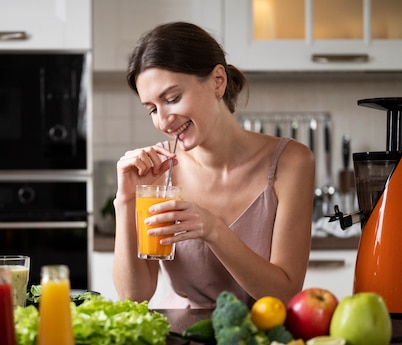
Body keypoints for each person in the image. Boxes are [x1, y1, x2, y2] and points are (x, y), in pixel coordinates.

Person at [112, 22, 315, 308]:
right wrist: (126, 200)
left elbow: (286, 294)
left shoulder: (291, 162)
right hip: (185, 336)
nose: (163, 121)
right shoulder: (160, 172)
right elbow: (134, 297)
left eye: (172, 99)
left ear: (217, 81)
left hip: (265, 338)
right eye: (152, 110)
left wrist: (213, 230)